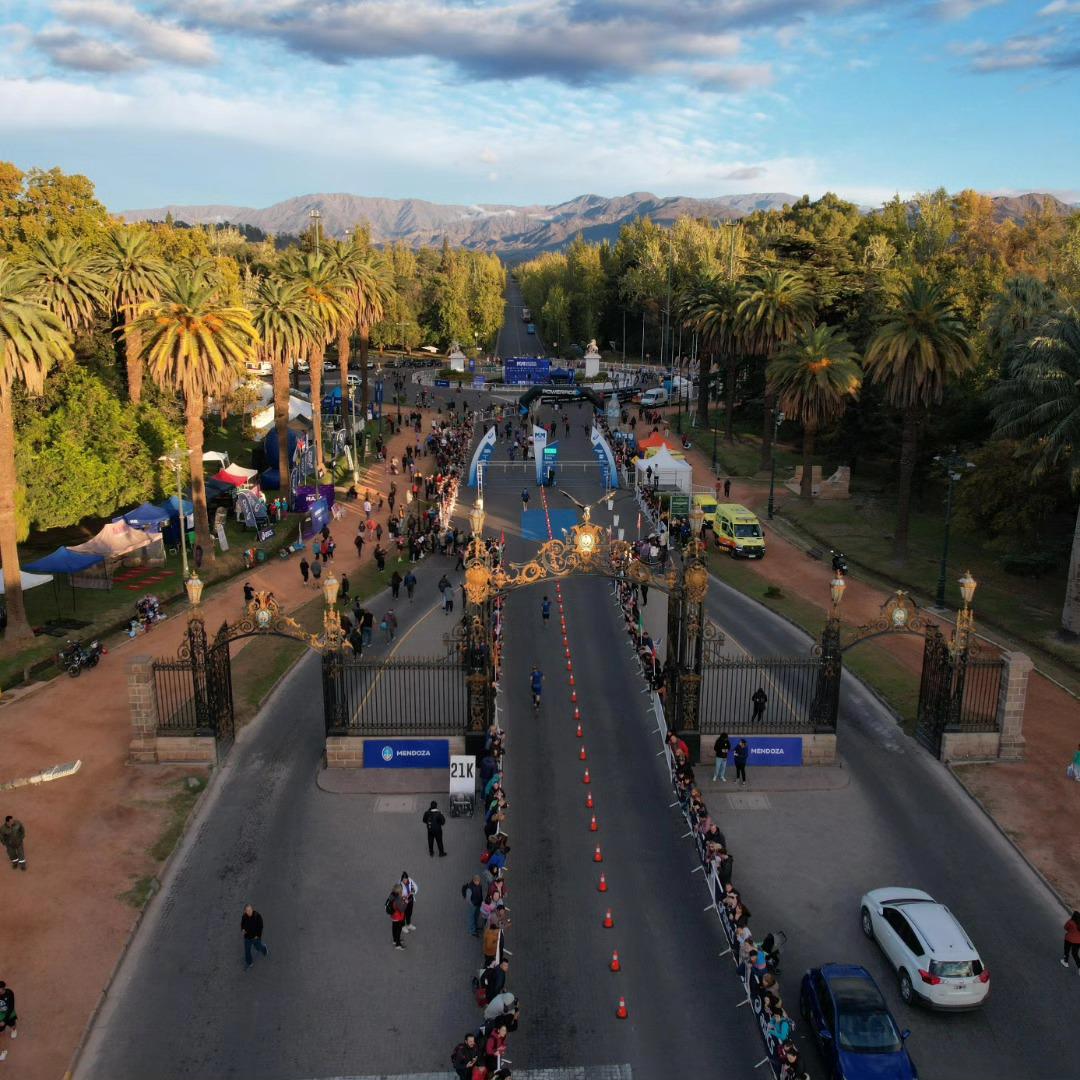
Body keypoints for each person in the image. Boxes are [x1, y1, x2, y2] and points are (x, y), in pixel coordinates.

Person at [240, 904, 269, 969]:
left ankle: (264, 948)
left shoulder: (257, 916)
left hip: (255, 937)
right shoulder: (244, 916)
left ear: (252, 909)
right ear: (245, 911)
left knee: (258, 947)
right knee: (247, 951)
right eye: (247, 910)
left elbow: (261, 926)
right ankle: (249, 962)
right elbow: (242, 924)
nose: (249, 912)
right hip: (247, 937)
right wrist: (243, 929)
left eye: (250, 910)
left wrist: (258, 935)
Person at [389, 884, 408, 949]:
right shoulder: (398, 899)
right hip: (398, 917)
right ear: (399, 892)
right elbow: (402, 909)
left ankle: (395, 940)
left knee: (394, 928)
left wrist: (402, 899)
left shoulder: (392, 895)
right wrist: (405, 902)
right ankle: (398, 944)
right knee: (398, 930)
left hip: (393, 916)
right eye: (401, 890)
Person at [0, 980, 15, 1057]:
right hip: (0, 1014)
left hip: (8, 1013)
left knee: (12, 1025)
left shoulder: (9, 993)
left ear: (3, 988)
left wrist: (4, 1020)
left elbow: (11, 1007)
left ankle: (14, 1029)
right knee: (1, 1034)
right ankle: (4, 1051)